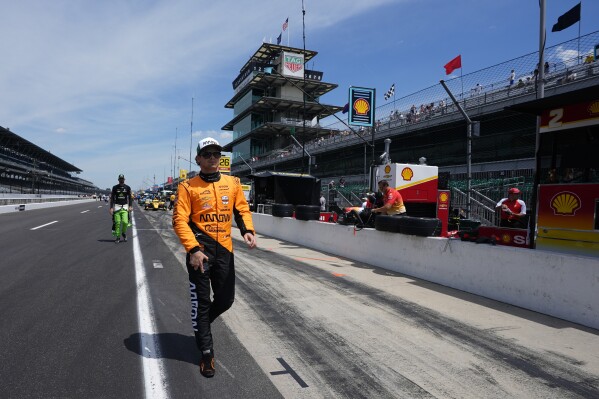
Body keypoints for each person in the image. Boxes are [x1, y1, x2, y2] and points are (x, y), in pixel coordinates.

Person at [172, 137, 256, 378]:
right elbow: (179, 220)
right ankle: (207, 353)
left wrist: (247, 230)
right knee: (201, 300)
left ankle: (202, 325)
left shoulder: (233, 183)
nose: (212, 158)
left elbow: (241, 210)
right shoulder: (188, 187)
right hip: (200, 251)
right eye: (207, 154)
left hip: (225, 251)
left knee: (226, 300)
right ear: (198, 159)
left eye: (216, 154)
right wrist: (193, 249)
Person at [109, 174, 132, 243]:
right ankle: (118, 237)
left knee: (125, 222)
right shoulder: (115, 187)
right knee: (117, 223)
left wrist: (130, 206)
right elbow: (112, 198)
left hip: (125, 207)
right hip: (117, 207)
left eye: (122, 179)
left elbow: (130, 197)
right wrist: (111, 208)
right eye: (120, 179)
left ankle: (123, 233)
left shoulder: (128, 187)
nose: (121, 180)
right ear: (118, 180)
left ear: (124, 179)